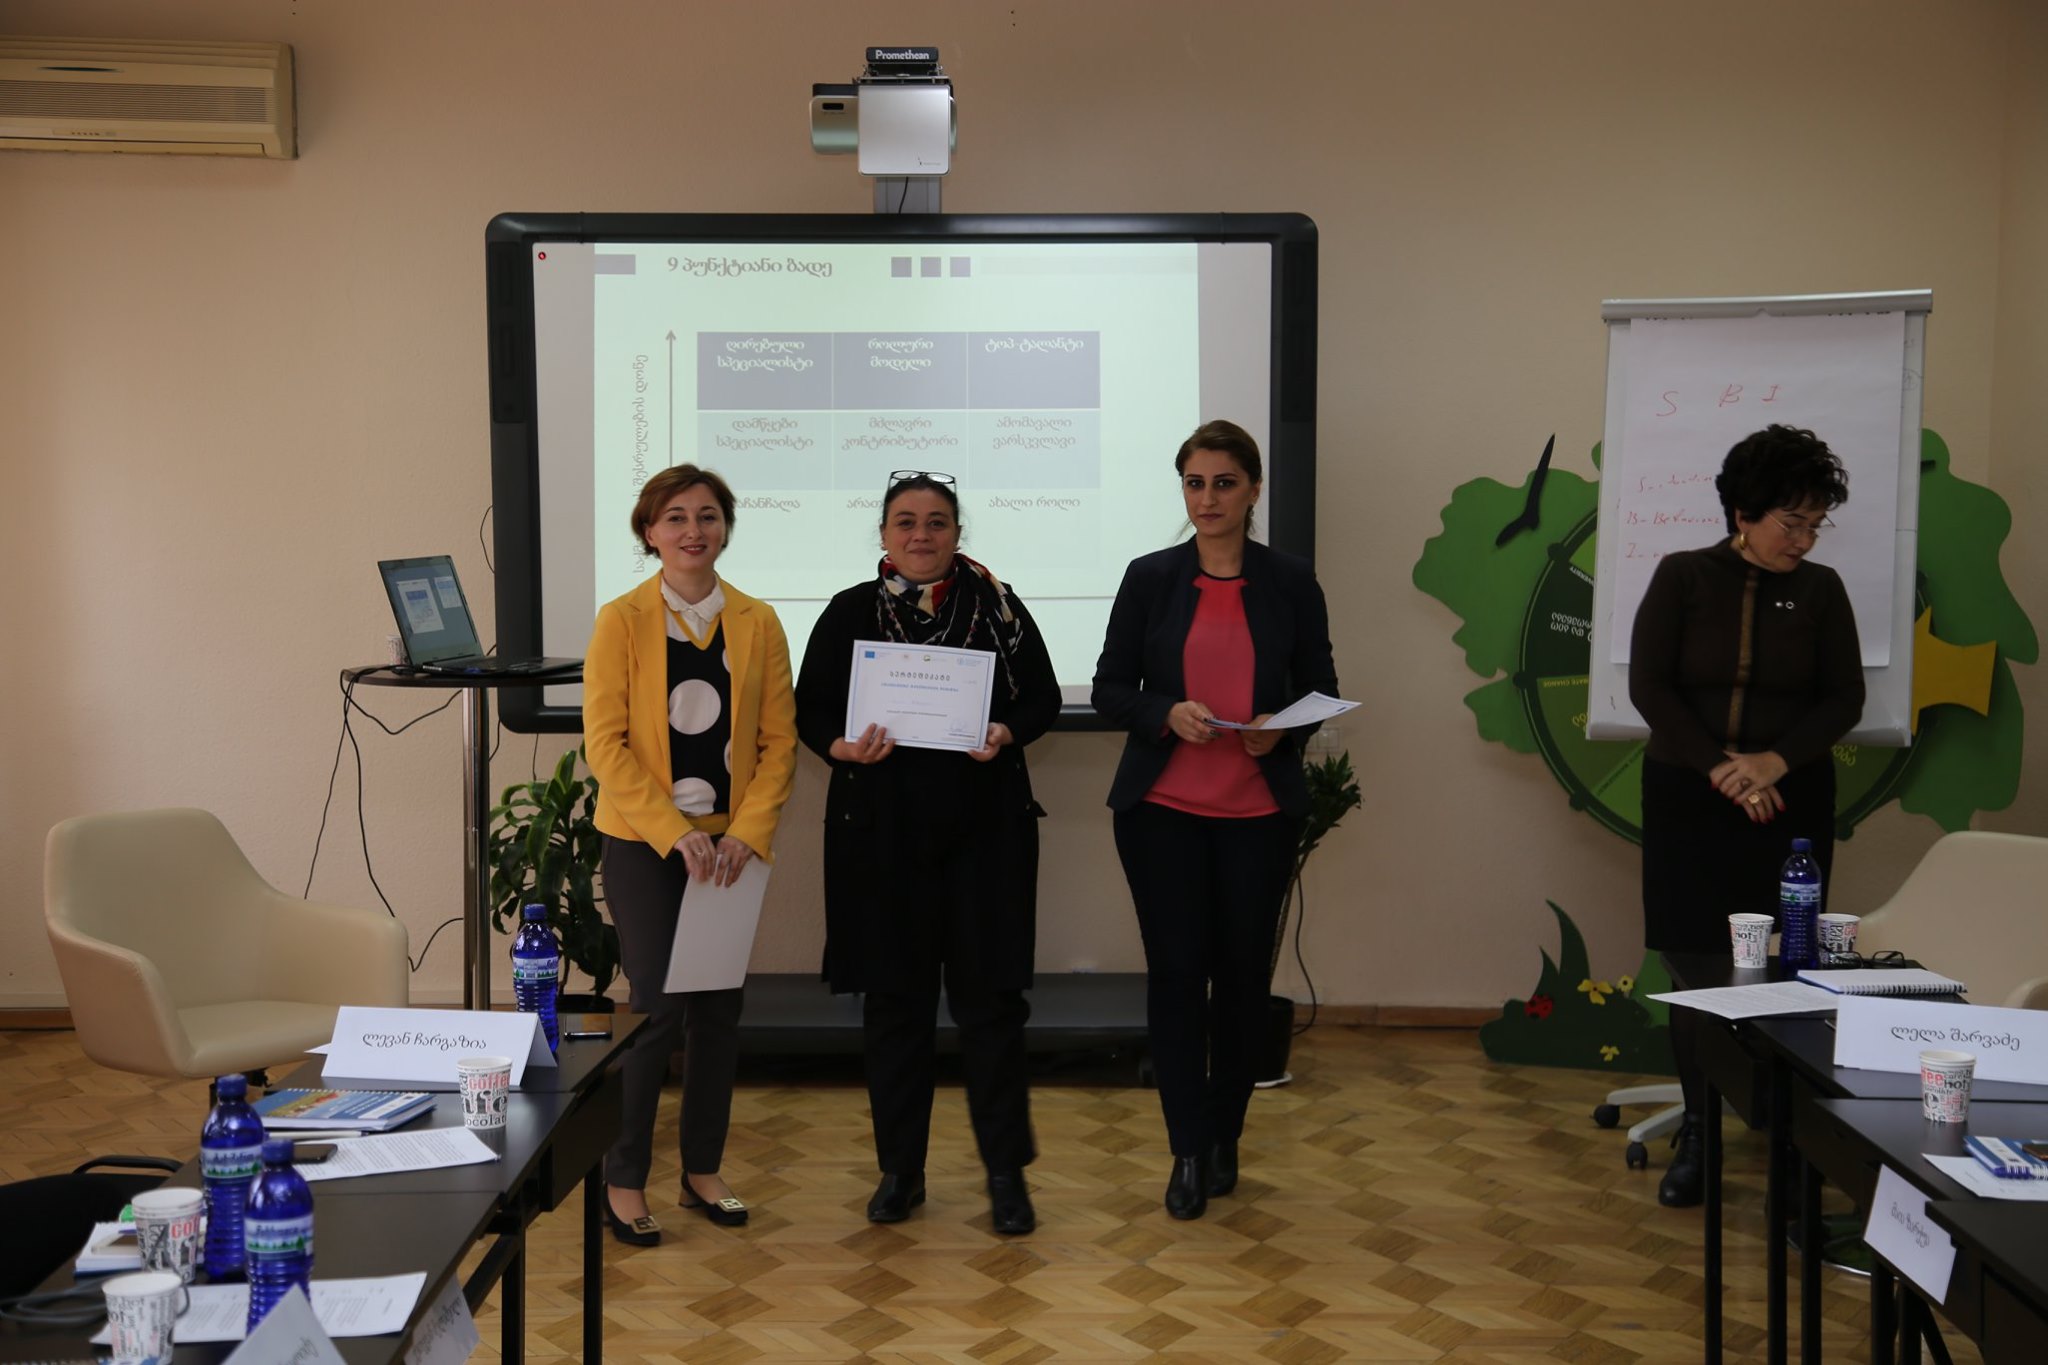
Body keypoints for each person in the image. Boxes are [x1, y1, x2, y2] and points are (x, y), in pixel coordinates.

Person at [794, 471, 1059, 1236]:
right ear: (883, 534)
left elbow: (1041, 698)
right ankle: (900, 1172)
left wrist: (1006, 730)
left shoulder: (999, 607)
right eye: (906, 521)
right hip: (881, 838)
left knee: (992, 1008)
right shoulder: (849, 611)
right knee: (894, 1008)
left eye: (937, 521)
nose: (921, 534)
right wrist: (841, 745)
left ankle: (1006, 1175)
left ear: (956, 533)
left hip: (987, 836)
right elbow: (810, 708)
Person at [1092, 419, 1339, 1220]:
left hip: (1256, 815)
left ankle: (1224, 1130)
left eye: (1224, 483)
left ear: (1253, 490)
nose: (1208, 498)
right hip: (1161, 812)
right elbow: (1110, 687)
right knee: (1175, 976)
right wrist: (1165, 711)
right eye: (1194, 483)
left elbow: (1321, 688)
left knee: (1239, 982)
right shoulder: (1150, 577)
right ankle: (1187, 1148)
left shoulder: (1290, 580)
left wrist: (1281, 728)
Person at [1628, 423, 1864, 1207]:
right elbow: (1650, 686)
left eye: (1816, 524)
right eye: (1792, 521)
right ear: (1743, 512)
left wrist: (1772, 762)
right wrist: (1724, 769)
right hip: (1689, 796)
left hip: (1791, 801)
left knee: (1789, 968)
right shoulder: (1683, 576)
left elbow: (1845, 697)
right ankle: (1699, 1133)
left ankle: (1791, 1140)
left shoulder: (1822, 590)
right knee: (1698, 966)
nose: (1805, 539)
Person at [583, 463, 798, 1246]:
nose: (693, 530)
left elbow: (778, 744)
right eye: (674, 517)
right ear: (650, 532)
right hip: (646, 844)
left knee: (718, 1011)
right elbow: (606, 744)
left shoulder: (759, 621)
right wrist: (677, 832)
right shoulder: (621, 619)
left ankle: (702, 1169)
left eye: (707, 515)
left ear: (725, 527)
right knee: (656, 1008)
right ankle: (624, 1178)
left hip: (733, 850)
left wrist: (744, 833)